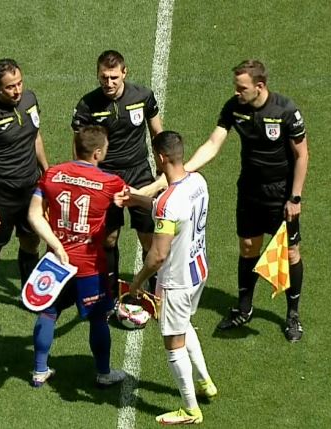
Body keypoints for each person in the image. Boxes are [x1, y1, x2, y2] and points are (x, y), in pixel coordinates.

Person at [143, 59, 309, 341]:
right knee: (247, 247)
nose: (236, 92)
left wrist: (295, 196)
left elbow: (302, 155)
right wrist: (179, 174)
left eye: (241, 87)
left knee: (290, 253)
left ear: (260, 86)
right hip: (249, 191)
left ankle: (292, 314)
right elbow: (212, 144)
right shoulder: (234, 108)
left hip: (281, 195)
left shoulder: (286, 111)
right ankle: (244, 308)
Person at [124, 131, 217, 425]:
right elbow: (173, 211)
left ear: (161, 158)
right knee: (184, 324)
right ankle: (205, 383)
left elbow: (157, 255)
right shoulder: (198, 182)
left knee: (172, 341)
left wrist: (136, 284)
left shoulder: (168, 202)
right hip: (198, 269)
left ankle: (190, 409)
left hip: (176, 280)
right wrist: (137, 200)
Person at [27, 125, 127, 388]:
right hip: (89, 265)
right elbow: (129, 200)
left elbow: (34, 215)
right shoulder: (110, 183)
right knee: (98, 318)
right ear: (97, 153)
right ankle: (104, 373)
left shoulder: (51, 175)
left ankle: (39, 370)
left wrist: (57, 247)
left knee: (48, 313)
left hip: (56, 264)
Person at [71, 50, 163, 297]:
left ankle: (154, 290)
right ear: (97, 75)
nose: (108, 83)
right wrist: (85, 179)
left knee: (147, 236)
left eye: (113, 77)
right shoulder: (87, 105)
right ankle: (111, 293)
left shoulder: (143, 96)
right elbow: (80, 148)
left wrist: (162, 174)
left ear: (124, 73)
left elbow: (158, 135)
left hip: (139, 173)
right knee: (109, 239)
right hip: (106, 178)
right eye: (104, 78)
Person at [0, 58, 49, 334]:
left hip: (31, 190)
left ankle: (29, 294)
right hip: (2, 197)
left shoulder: (29, 100)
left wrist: (47, 173)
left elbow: (35, 138)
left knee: (31, 241)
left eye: (19, 84)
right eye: (9, 87)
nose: (17, 91)